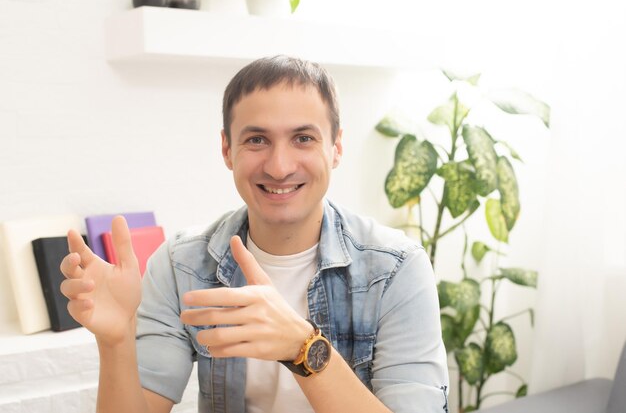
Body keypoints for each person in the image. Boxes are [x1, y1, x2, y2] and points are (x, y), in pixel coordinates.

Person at [60, 55, 449, 413]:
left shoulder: (396, 268)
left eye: (303, 138)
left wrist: (304, 349)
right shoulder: (181, 265)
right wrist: (116, 343)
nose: (279, 167)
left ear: (336, 148)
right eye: (257, 140)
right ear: (227, 149)